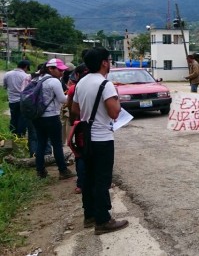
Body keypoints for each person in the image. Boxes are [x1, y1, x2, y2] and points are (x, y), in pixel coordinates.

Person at [71, 47, 129, 234]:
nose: (110, 63)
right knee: (102, 179)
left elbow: (75, 111)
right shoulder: (106, 84)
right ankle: (103, 221)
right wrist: (116, 100)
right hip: (102, 138)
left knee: (88, 177)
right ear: (104, 62)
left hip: (86, 138)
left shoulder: (81, 83)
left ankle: (89, 216)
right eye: (109, 60)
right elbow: (114, 112)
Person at [33, 59, 75, 179]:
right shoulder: (53, 81)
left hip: (37, 117)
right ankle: (63, 171)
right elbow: (63, 100)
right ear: (50, 69)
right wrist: (71, 94)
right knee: (56, 144)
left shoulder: (36, 78)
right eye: (59, 70)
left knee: (41, 143)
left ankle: (40, 171)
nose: (62, 72)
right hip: (51, 117)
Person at [66, 64, 89, 194]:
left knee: (80, 155)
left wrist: (72, 121)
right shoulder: (100, 86)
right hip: (95, 126)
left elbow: (70, 107)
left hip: (79, 125)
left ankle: (81, 184)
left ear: (78, 75)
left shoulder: (74, 88)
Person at [3, 60, 30, 137]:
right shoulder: (26, 76)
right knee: (22, 119)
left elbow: (5, 86)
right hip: (22, 101)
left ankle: (12, 135)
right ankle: (20, 136)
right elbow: (28, 90)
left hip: (12, 100)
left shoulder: (7, 74)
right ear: (26, 67)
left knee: (13, 118)